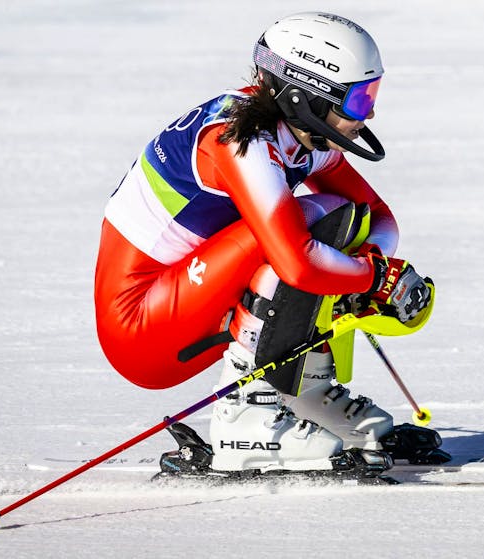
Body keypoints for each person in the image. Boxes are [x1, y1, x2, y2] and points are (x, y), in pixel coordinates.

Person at [93, 12, 449, 478]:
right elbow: (298, 264)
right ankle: (244, 420)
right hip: (141, 326)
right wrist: (375, 277)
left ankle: (306, 396)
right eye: (359, 100)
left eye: (372, 96)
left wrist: (372, 268)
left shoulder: (301, 129)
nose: (369, 115)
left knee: (338, 222)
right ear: (305, 94)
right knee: (306, 226)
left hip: (187, 303)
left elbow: (378, 217)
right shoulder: (237, 139)